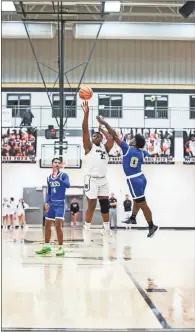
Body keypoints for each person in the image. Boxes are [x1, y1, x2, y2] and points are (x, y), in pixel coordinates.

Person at [96, 116, 158, 238]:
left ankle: (151, 225)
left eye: (133, 139)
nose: (130, 139)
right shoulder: (141, 152)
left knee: (142, 204)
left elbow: (114, 135)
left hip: (134, 179)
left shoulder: (127, 149)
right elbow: (149, 154)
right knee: (137, 200)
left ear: (134, 142)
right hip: (141, 177)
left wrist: (104, 124)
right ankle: (133, 218)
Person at [82, 101, 114, 238]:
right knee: (92, 204)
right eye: (94, 135)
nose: (96, 137)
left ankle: (106, 229)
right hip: (91, 179)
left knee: (105, 204)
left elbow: (111, 138)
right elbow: (84, 129)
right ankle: (87, 227)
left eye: (98, 136)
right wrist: (86, 114)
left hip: (103, 179)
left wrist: (101, 129)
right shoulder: (89, 147)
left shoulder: (105, 148)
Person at [36, 158, 70, 256]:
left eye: (59, 162)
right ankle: (46, 246)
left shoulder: (64, 175)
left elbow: (68, 185)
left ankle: (61, 248)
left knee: (58, 225)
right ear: (52, 164)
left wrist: (58, 178)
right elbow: (49, 192)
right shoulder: (48, 178)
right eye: (55, 162)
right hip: (51, 204)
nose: (57, 164)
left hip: (60, 204)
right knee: (47, 226)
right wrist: (46, 202)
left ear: (60, 165)